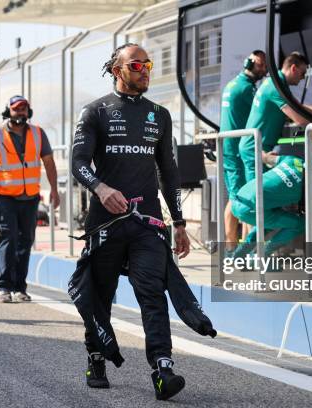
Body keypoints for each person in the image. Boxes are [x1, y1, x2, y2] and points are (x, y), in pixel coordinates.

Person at [71, 43, 191, 400]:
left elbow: (169, 173)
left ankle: (163, 368)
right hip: (105, 222)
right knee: (101, 295)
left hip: (147, 223)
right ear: (117, 70)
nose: (144, 70)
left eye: (148, 64)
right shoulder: (95, 112)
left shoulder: (160, 114)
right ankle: (96, 356)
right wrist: (100, 187)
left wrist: (180, 221)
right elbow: (77, 162)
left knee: (152, 292)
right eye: (136, 64)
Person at [0, 95, 60, 303]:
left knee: (26, 241)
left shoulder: (38, 133)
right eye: (16, 109)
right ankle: (4, 287)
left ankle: (20, 287)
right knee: (8, 238)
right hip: (5, 197)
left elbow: (49, 162)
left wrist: (54, 190)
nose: (20, 112)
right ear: (8, 111)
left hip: (30, 197)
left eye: (24, 109)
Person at [240, 52, 312, 182]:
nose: (303, 78)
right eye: (302, 73)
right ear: (293, 68)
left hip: (259, 148)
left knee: (262, 197)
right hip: (255, 150)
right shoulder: (276, 87)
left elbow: (298, 106)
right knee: (258, 198)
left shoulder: (277, 82)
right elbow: (299, 119)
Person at [219, 50, 275, 252]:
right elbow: (262, 112)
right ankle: (232, 249)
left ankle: (239, 247)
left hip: (231, 147)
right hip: (235, 149)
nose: (264, 70)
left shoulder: (234, 84)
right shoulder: (246, 89)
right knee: (239, 200)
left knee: (240, 196)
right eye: (262, 65)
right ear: (251, 63)